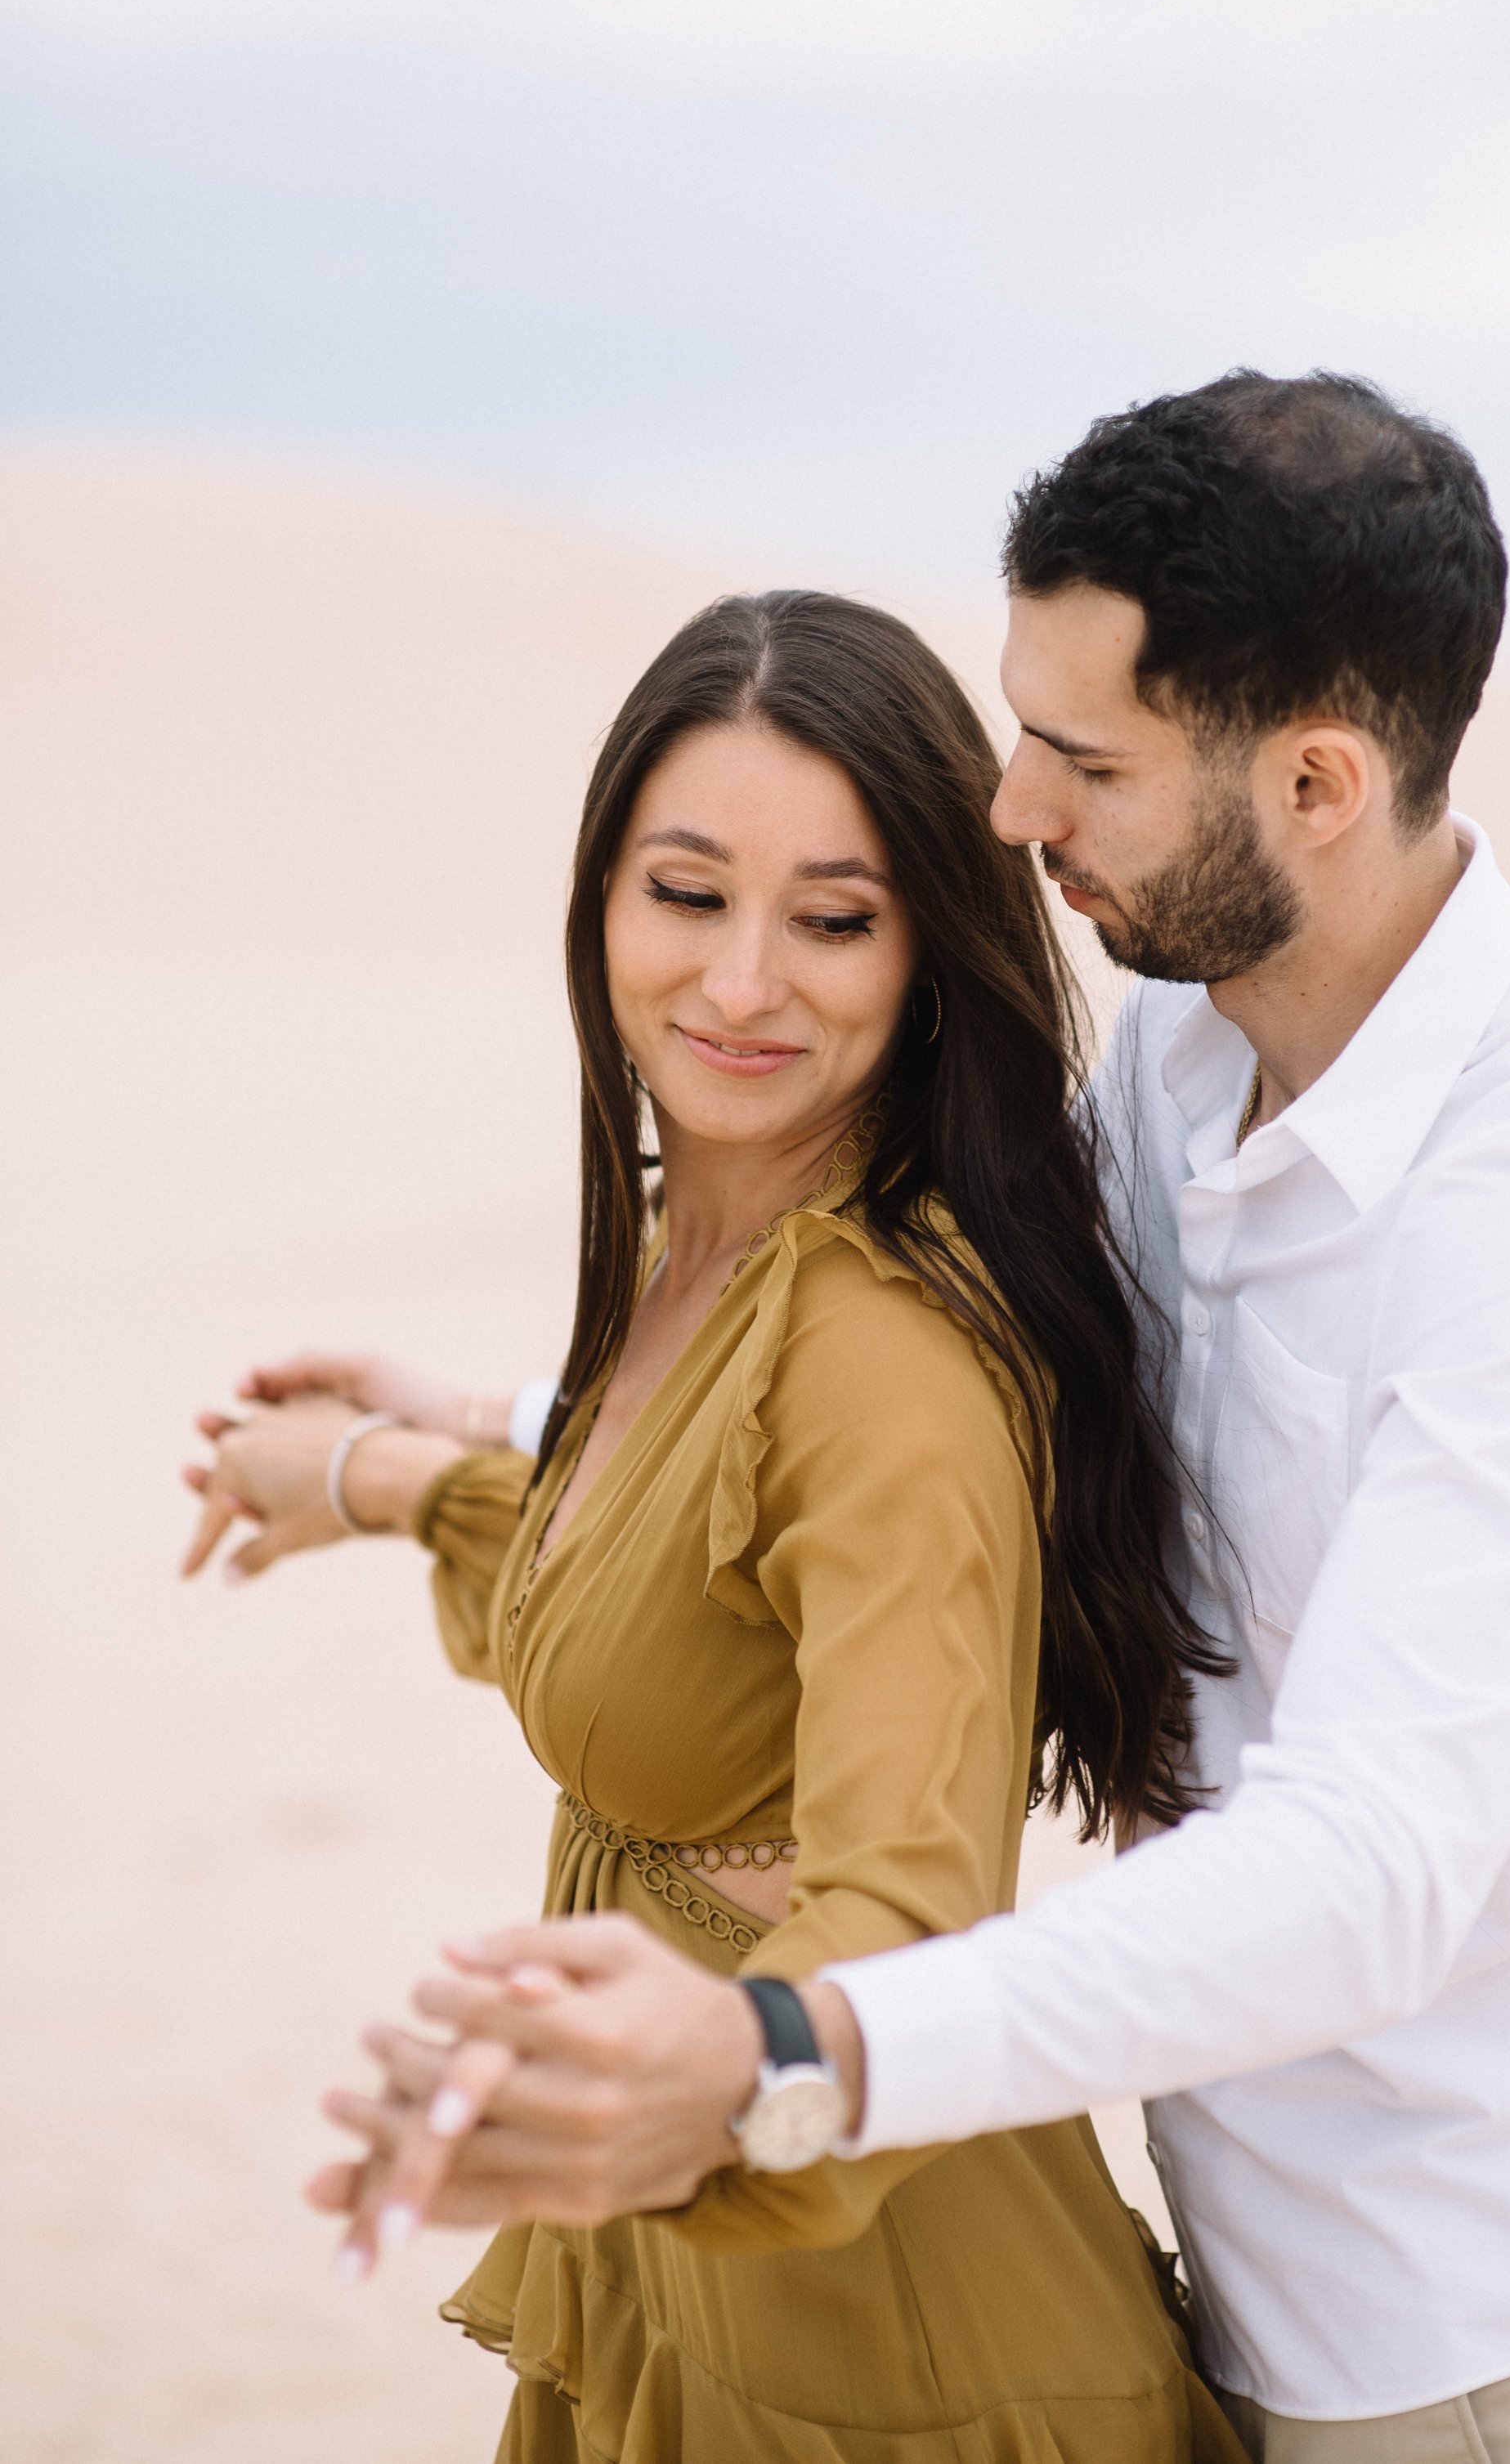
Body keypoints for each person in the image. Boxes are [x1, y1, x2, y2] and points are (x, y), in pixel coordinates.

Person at [311, 375, 1510, 2463]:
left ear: (1321, 780)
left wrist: (787, 2045)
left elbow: (1371, 1862)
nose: (1008, 812)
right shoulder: (1182, 1058)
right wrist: (495, 1435)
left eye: (1085, 760)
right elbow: (872, 1422)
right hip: (1237, 2274)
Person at [181, 589, 1248, 2463]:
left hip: (880, 2358)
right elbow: (679, 1585)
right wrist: (377, 1471)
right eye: (688, 894)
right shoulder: (718, 1244)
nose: (744, 982)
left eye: (831, 919)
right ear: (601, 901)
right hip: (711, 2297)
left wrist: (684, 2081)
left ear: (928, 946)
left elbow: (914, 1906)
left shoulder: (881, 1347)